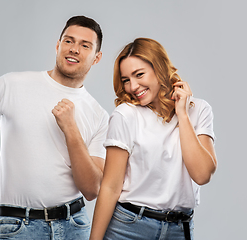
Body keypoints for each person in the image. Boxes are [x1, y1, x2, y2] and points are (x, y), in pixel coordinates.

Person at [0, 15, 109, 239]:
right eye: (69, 41)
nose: (74, 49)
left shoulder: (99, 115)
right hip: (19, 226)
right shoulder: (13, 84)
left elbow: (91, 190)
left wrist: (71, 129)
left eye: (84, 45)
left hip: (74, 225)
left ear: (96, 58)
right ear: (58, 45)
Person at [89, 38, 217, 240]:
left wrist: (182, 115)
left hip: (179, 229)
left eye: (139, 75)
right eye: (126, 80)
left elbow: (202, 174)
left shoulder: (199, 110)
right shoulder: (126, 115)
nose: (133, 86)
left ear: (159, 68)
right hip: (129, 228)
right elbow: (110, 187)